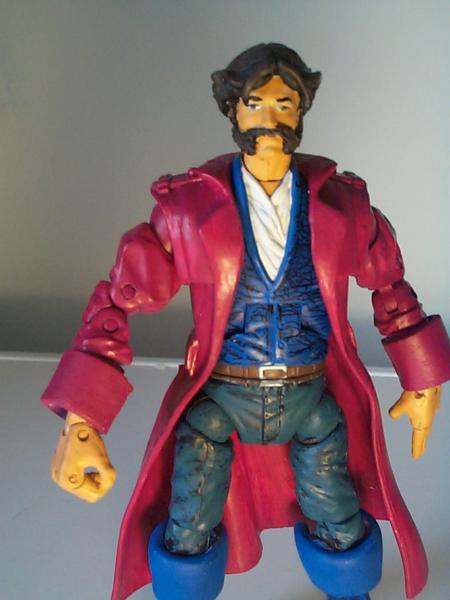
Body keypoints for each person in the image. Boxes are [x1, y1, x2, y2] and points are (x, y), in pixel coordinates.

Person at [42, 44, 450, 600]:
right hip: (223, 398)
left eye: (285, 104)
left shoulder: (342, 204)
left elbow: (389, 281)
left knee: (336, 509)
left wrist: (423, 377)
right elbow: (118, 300)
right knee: (190, 519)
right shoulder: (188, 211)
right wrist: (81, 419)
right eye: (255, 104)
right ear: (232, 109)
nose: (270, 119)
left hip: (310, 397)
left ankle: (350, 589)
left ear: (301, 111)